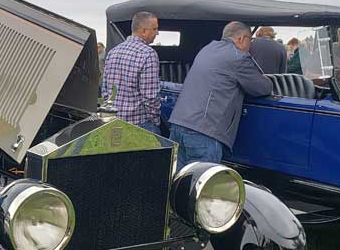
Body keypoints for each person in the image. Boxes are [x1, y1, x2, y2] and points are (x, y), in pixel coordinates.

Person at [169, 21, 272, 168]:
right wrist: (268, 79)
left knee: (178, 180)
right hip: (204, 131)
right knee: (202, 183)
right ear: (242, 38)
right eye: (251, 40)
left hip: (179, 123)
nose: (251, 45)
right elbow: (263, 88)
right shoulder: (238, 57)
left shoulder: (207, 49)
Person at [101, 12, 161, 133]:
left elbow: (105, 90)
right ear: (144, 31)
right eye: (155, 29)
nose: (157, 33)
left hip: (113, 122)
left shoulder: (113, 52)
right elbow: (150, 97)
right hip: (138, 124)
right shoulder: (148, 54)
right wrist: (155, 121)